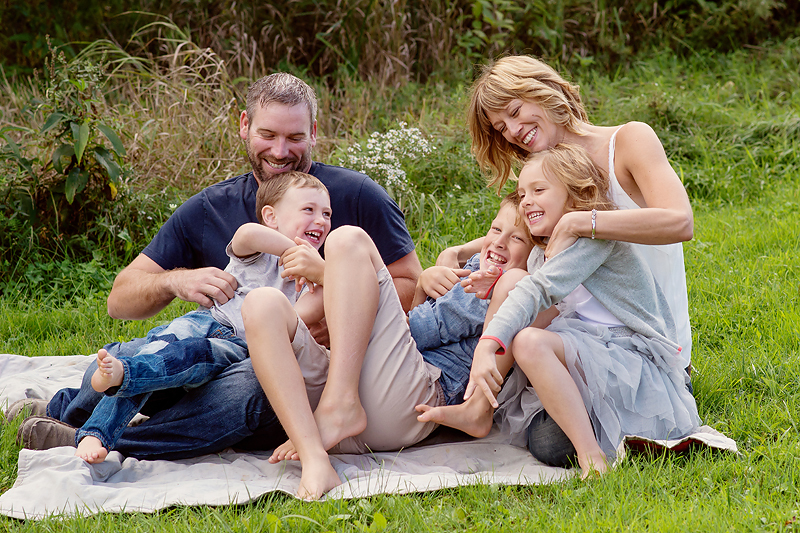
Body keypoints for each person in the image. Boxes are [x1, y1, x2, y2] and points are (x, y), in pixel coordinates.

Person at [15, 72, 423, 459]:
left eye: (295, 137)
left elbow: (410, 287)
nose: (280, 152)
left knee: (248, 393)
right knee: (130, 357)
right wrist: (175, 281)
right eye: (268, 134)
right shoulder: (211, 207)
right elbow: (120, 300)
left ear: (314, 133)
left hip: (292, 371)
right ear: (244, 125)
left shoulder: (358, 197)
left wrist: (332, 292)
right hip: (211, 345)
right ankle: (65, 408)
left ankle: (117, 442)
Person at [436, 55, 694, 465]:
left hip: (644, 341)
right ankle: (478, 404)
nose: (514, 131)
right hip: (583, 333)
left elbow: (680, 222)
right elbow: (526, 246)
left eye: (516, 112)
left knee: (550, 442)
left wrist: (581, 221)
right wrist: (463, 253)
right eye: (502, 128)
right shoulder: (547, 175)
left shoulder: (627, 141)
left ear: (544, 89)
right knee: (513, 284)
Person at [240, 193, 533, 499]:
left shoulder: (502, 284)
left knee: (348, 240)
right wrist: (424, 282)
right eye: (495, 230)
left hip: (409, 400)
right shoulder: (476, 267)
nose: (499, 242)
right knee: (261, 304)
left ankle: (339, 406)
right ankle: (314, 456)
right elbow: (409, 331)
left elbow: (417, 331)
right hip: (362, 396)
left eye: (516, 239)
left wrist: (336, 280)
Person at [74, 172, 331, 463]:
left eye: (327, 213)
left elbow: (292, 321)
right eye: (309, 210)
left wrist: (319, 271)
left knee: (175, 361)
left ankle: (113, 412)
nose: (321, 220)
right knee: (151, 355)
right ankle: (95, 430)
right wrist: (291, 250)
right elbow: (246, 234)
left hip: (239, 348)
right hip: (205, 323)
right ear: (270, 217)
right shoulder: (258, 252)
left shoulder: (316, 283)